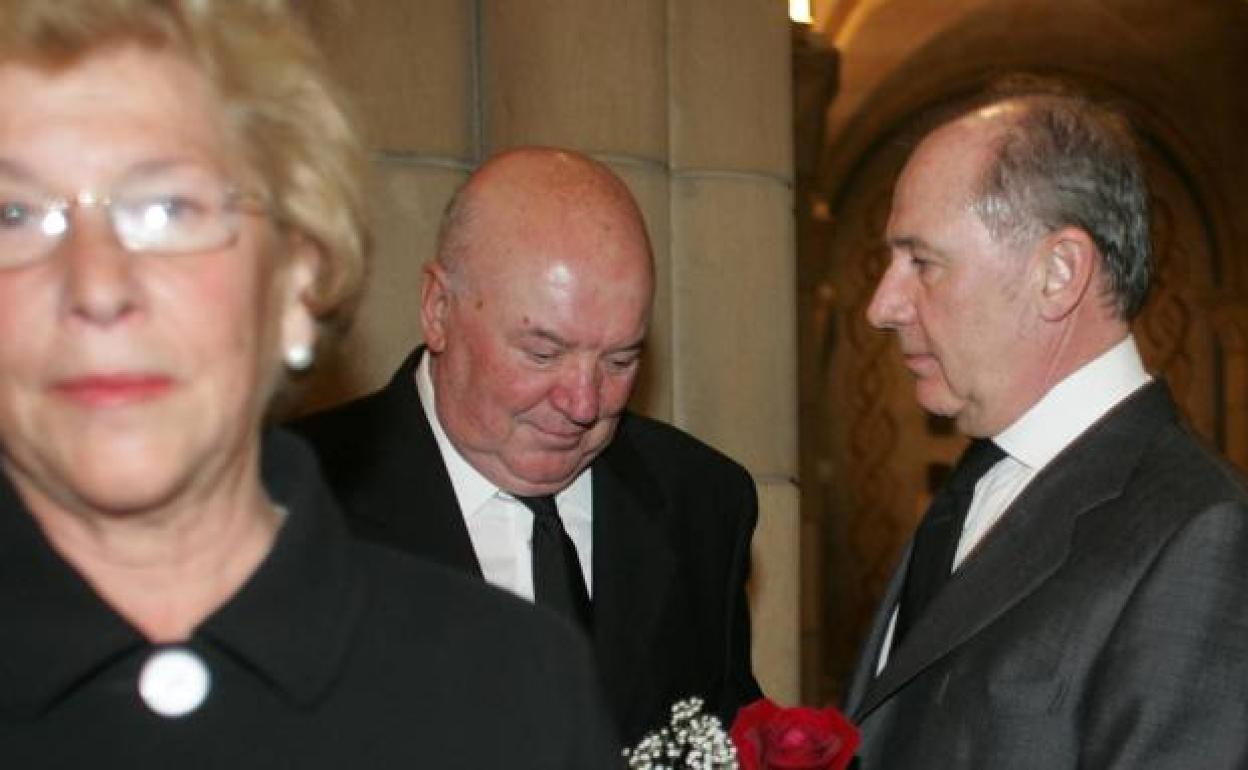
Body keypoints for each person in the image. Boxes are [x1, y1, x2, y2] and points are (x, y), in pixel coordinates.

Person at [0, 2, 622, 767]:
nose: (95, 286)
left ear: (297, 283)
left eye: (169, 209)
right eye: (15, 215)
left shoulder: (515, 689)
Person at [293, 146, 762, 744]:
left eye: (620, 360)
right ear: (438, 310)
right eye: (544, 353)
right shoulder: (294, 499)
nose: (584, 403)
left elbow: (727, 732)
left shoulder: (702, 503)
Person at [843, 77, 1248, 768]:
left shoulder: (1205, 537)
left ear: (1058, 273)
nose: (882, 306)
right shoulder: (981, 479)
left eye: (923, 263)